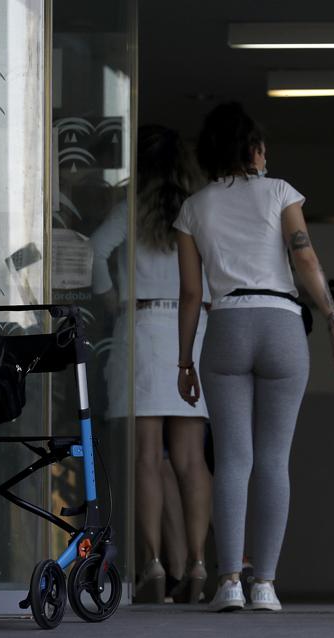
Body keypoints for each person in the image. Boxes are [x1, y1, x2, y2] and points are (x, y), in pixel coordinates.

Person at [175, 102, 334, 613]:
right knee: (274, 458)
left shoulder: (194, 207)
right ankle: (266, 585)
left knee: (232, 458)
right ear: (252, 150)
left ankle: (228, 581)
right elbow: (306, 257)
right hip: (280, 324)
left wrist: (184, 361)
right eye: (262, 147)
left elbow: (190, 294)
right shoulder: (280, 193)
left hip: (225, 324)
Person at [92, 126, 211, 604]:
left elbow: (93, 252)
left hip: (140, 326)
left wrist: (112, 299)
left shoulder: (129, 209)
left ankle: (155, 565)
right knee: (191, 459)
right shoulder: (199, 210)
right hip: (190, 327)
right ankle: (200, 565)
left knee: (145, 458)